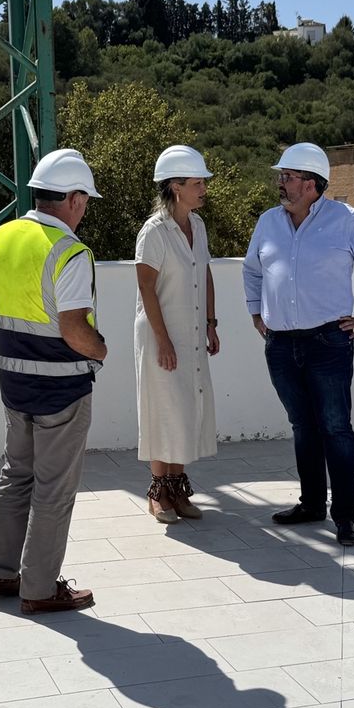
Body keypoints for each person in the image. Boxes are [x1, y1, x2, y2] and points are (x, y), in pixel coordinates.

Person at [0, 148, 106, 614]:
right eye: (85, 200)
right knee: (53, 489)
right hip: (61, 388)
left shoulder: (1, 237)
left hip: (13, 382)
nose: (84, 210)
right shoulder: (70, 251)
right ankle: (40, 589)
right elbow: (74, 329)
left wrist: (22, 339)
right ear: (70, 198)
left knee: (16, 475)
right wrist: (101, 348)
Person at [243, 142, 354, 546]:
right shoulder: (268, 222)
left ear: (311, 185)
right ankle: (312, 504)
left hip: (329, 342)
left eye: (288, 177)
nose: (281, 183)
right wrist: (256, 314)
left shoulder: (346, 221)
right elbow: (252, 271)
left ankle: (345, 516)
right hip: (279, 344)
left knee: (335, 427)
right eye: (282, 176)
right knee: (302, 426)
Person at [134, 145, 219, 522]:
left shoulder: (197, 226)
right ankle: (158, 492)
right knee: (163, 409)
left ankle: (177, 488)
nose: (204, 188)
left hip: (191, 331)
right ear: (175, 187)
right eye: (197, 183)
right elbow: (146, 289)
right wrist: (164, 340)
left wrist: (211, 324)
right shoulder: (153, 233)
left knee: (187, 408)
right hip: (159, 334)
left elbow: (205, 273)